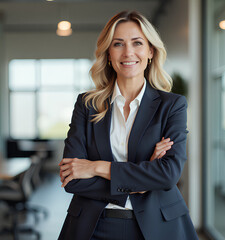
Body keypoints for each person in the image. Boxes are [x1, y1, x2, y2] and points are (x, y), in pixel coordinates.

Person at [58, 10, 199, 240]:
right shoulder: (87, 104)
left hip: (159, 227)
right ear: (108, 53)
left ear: (150, 51)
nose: (128, 53)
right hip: (92, 227)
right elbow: (71, 178)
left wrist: (96, 167)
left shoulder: (172, 105)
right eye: (118, 44)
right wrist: (141, 182)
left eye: (137, 43)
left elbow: (168, 174)